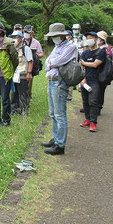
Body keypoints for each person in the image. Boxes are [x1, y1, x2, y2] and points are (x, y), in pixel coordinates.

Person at [40, 23, 78, 155]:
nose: (54, 38)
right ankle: (56, 139)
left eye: (56, 35)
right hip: (51, 81)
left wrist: (52, 64)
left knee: (59, 114)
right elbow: (47, 62)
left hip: (60, 83)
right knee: (52, 113)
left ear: (62, 35)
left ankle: (60, 144)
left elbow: (57, 62)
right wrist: (52, 64)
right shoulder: (57, 47)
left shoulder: (70, 47)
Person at [78, 32, 106, 132]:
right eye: (87, 38)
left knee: (93, 102)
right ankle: (87, 119)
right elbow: (82, 67)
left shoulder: (101, 52)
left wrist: (84, 63)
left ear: (96, 39)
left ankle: (93, 122)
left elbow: (95, 64)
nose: (89, 40)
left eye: (91, 38)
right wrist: (82, 78)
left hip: (96, 81)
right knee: (85, 101)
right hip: (85, 80)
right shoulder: (85, 53)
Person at [10, 31, 33, 115]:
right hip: (14, 75)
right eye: (13, 37)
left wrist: (29, 73)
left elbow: (30, 61)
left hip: (22, 75)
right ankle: (13, 109)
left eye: (15, 37)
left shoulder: (26, 49)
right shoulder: (12, 49)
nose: (14, 39)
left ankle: (24, 110)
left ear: (20, 39)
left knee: (23, 93)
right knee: (13, 93)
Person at [23, 25, 44, 99]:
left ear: (32, 33)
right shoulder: (21, 41)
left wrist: (37, 54)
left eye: (27, 32)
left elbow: (41, 54)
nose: (26, 33)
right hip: (22, 65)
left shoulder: (36, 42)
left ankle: (28, 97)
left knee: (29, 83)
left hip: (31, 65)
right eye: (25, 32)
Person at [96, 31, 113, 113]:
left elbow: (112, 60)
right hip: (98, 71)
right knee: (96, 89)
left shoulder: (108, 49)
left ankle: (98, 107)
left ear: (102, 40)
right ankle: (94, 107)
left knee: (100, 90)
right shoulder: (96, 47)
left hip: (104, 72)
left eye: (98, 38)